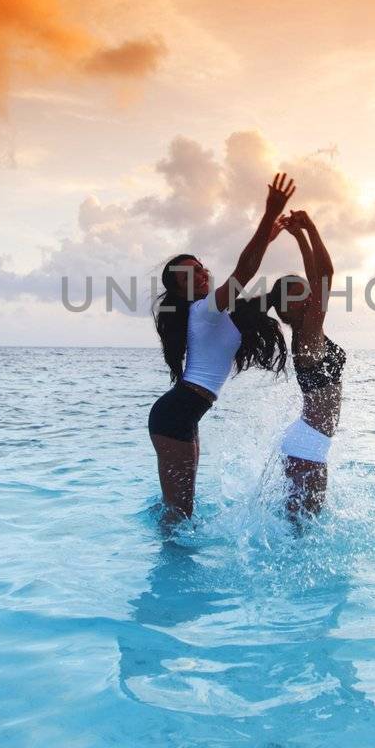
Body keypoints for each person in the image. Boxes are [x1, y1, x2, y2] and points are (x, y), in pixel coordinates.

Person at [147, 173, 295, 520]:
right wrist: (269, 213)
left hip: (185, 413)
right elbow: (244, 269)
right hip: (175, 415)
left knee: (182, 509)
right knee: (180, 514)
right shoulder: (203, 311)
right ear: (182, 289)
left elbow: (247, 284)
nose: (202, 274)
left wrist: (269, 235)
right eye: (191, 274)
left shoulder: (213, 313)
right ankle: (171, 564)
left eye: (201, 268)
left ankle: (172, 558)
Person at [269, 209, 344, 520]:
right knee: (302, 531)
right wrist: (310, 227)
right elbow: (325, 275)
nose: (312, 293)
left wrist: (299, 234)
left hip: (307, 441)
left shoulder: (307, 334)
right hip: (308, 445)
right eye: (304, 291)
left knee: (298, 529)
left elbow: (317, 276)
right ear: (292, 305)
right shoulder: (308, 333)